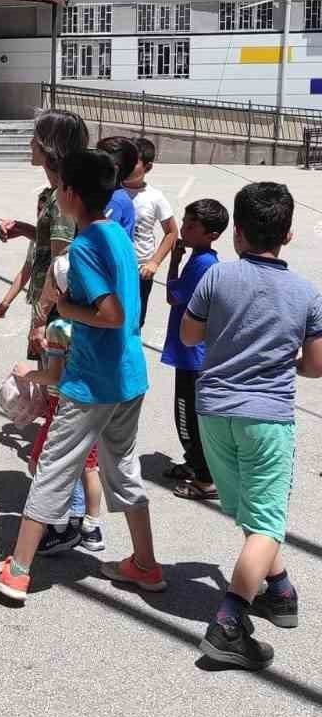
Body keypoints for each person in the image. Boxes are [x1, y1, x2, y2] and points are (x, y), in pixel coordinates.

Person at [0, 149, 163, 603]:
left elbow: (110, 313)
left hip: (93, 381)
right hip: (128, 376)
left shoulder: (83, 247)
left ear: (72, 194)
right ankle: (145, 564)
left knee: (53, 471)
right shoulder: (118, 232)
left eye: (59, 188)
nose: (56, 195)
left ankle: (17, 572)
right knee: (124, 470)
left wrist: (63, 307)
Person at [181, 182, 322, 670]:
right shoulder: (305, 292)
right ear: (287, 233)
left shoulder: (217, 278)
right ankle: (229, 623)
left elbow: (190, 333)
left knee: (248, 509)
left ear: (236, 233)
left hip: (214, 412)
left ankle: (280, 593)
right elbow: (316, 364)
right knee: (266, 520)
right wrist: (288, 362)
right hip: (267, 417)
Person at [19, 253, 105, 556]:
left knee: (42, 463)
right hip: (95, 401)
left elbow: (54, 374)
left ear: (59, 288)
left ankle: (66, 521)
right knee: (89, 466)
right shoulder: (98, 321)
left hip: (63, 405)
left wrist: (28, 374)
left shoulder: (59, 327)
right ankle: (92, 526)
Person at [0, 109, 88, 355]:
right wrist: (27, 230)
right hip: (54, 309)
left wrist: (40, 319)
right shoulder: (55, 193)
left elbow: (62, 263)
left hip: (56, 312)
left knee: (52, 386)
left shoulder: (62, 197)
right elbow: (57, 243)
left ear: (51, 147)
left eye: (35, 138)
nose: (30, 144)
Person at [160, 199, 229, 499]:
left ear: (211, 234)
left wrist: (173, 260)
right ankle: (193, 464)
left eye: (191, 227)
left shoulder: (202, 264)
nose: (184, 230)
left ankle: (205, 477)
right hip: (190, 352)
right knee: (189, 413)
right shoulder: (202, 258)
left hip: (193, 356)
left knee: (186, 415)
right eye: (185, 224)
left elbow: (173, 296)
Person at [124, 142, 178, 327]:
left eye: (133, 162)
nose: (127, 166)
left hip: (140, 272)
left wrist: (154, 262)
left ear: (148, 167)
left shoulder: (155, 197)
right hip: (112, 268)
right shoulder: (109, 191)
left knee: (134, 323)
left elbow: (171, 232)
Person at [97, 135, 138, 238]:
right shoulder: (109, 195)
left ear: (114, 170)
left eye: (97, 161)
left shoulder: (113, 201)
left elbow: (98, 237)